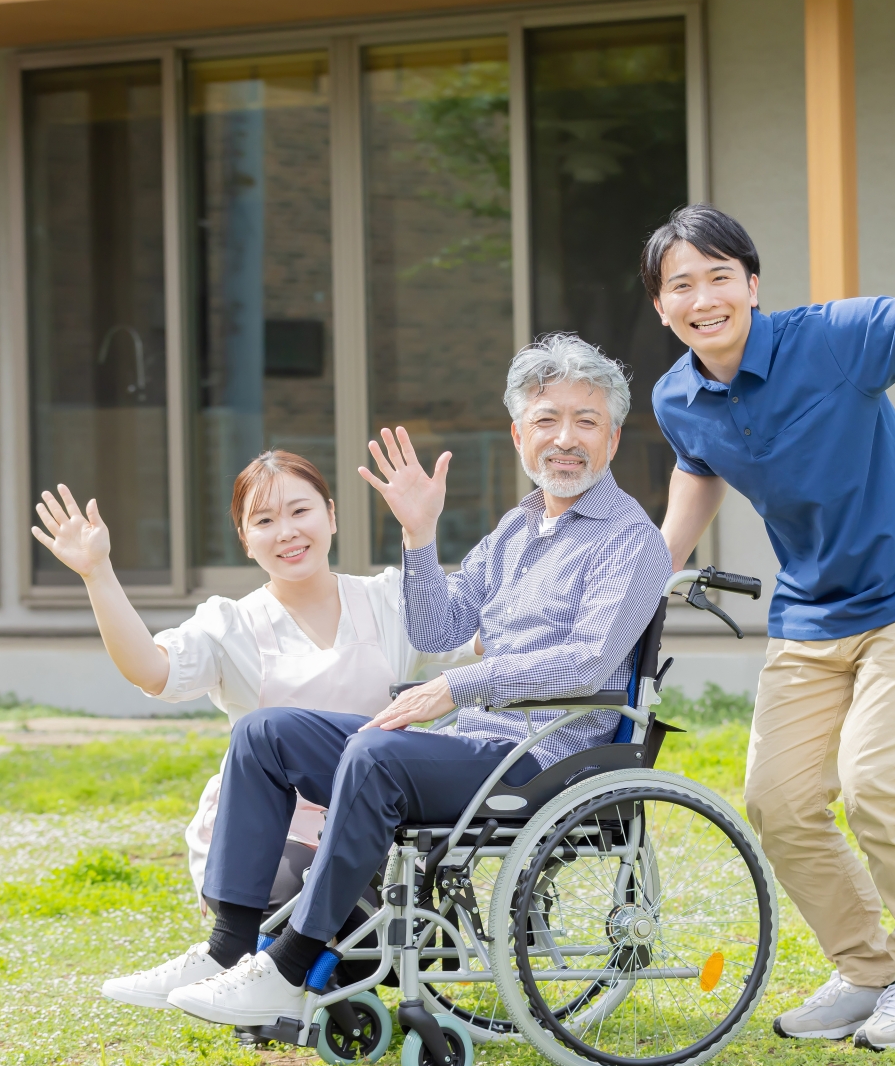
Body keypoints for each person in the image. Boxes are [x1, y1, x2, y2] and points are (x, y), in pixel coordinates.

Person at [111, 334, 672, 1027]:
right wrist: (419, 535)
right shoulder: (518, 529)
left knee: (377, 754)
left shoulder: (630, 539)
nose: (565, 438)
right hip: (481, 748)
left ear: (613, 438)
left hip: (548, 758)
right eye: (546, 420)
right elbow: (439, 630)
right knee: (265, 733)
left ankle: (287, 969)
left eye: (585, 421)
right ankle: (227, 950)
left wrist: (456, 689)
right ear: (519, 435)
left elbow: (589, 661)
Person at [646, 114, 895, 1053]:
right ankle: (866, 974)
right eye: (681, 286)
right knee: (776, 800)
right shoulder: (676, 397)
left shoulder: (835, 340)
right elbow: (689, 493)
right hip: (812, 611)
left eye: (719, 276)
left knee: (880, 784)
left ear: (752, 285)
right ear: (661, 308)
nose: (704, 298)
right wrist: (635, 584)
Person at [29, 450, 472, 1009]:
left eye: (300, 511)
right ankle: (237, 954)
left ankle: (281, 967)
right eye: (264, 521)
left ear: (332, 516)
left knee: (359, 927)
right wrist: (98, 574)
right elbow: (151, 669)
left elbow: (478, 638)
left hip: (376, 825)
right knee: (282, 895)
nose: (287, 532)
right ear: (244, 540)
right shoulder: (229, 623)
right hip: (267, 835)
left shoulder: (388, 599)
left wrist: (421, 530)